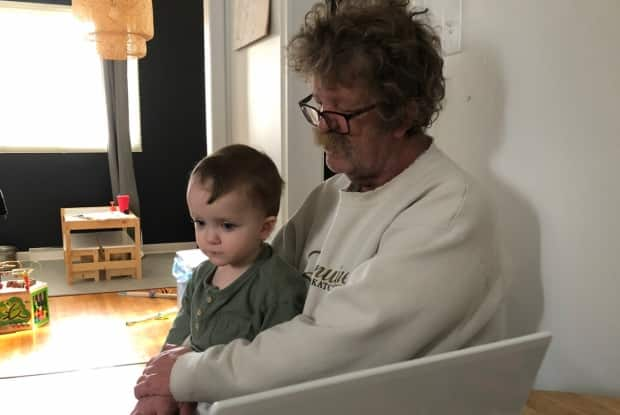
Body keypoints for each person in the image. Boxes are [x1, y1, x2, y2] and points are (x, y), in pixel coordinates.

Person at [132, 0, 505, 412]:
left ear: (403, 115)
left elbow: (336, 344)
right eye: (320, 109)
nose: (324, 130)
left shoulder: (448, 210)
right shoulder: (330, 196)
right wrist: (179, 364)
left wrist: (189, 374)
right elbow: (249, 287)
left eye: (342, 114)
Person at [131, 144, 308, 414]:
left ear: (265, 227)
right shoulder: (202, 273)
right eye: (200, 222)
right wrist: (164, 370)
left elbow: (276, 362)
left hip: (237, 399)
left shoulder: (279, 285)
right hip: (191, 384)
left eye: (227, 225)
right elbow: (182, 324)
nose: (210, 237)